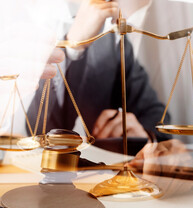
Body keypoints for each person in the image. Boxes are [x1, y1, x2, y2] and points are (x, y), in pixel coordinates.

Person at [28, 0, 171, 143]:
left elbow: (154, 113)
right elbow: (34, 130)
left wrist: (145, 137)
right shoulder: (21, 20)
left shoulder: (109, 35)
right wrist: (72, 47)